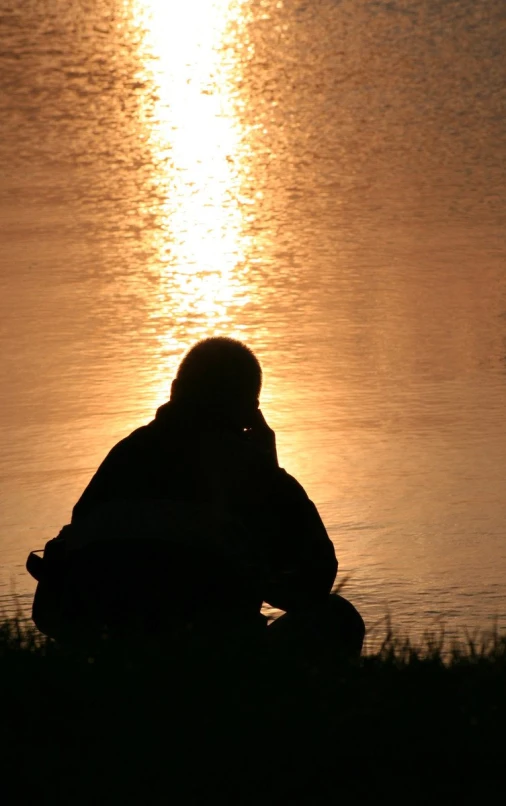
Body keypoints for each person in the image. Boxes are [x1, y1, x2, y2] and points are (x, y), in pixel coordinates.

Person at [30, 337, 364, 653]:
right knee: (338, 617)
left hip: (103, 653)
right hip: (213, 659)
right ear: (251, 411)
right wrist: (272, 471)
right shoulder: (252, 470)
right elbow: (314, 583)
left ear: (174, 391)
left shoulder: (123, 456)